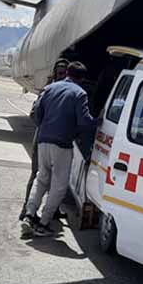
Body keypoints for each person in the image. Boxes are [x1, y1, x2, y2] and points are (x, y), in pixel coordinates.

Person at [21, 61, 98, 237]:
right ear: (82, 78)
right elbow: (84, 122)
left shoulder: (50, 88)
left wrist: (46, 127)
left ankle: (29, 214)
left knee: (41, 179)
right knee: (59, 186)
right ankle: (43, 223)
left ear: (68, 73)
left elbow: (37, 113)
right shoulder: (79, 94)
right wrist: (98, 122)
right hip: (62, 145)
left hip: (43, 140)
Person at [19, 59, 68, 222]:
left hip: (58, 139)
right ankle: (26, 209)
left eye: (65, 73)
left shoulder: (68, 91)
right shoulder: (48, 90)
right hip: (43, 137)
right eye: (60, 72)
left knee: (57, 177)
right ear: (55, 73)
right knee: (37, 174)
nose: (63, 76)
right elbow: (34, 115)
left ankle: (53, 209)